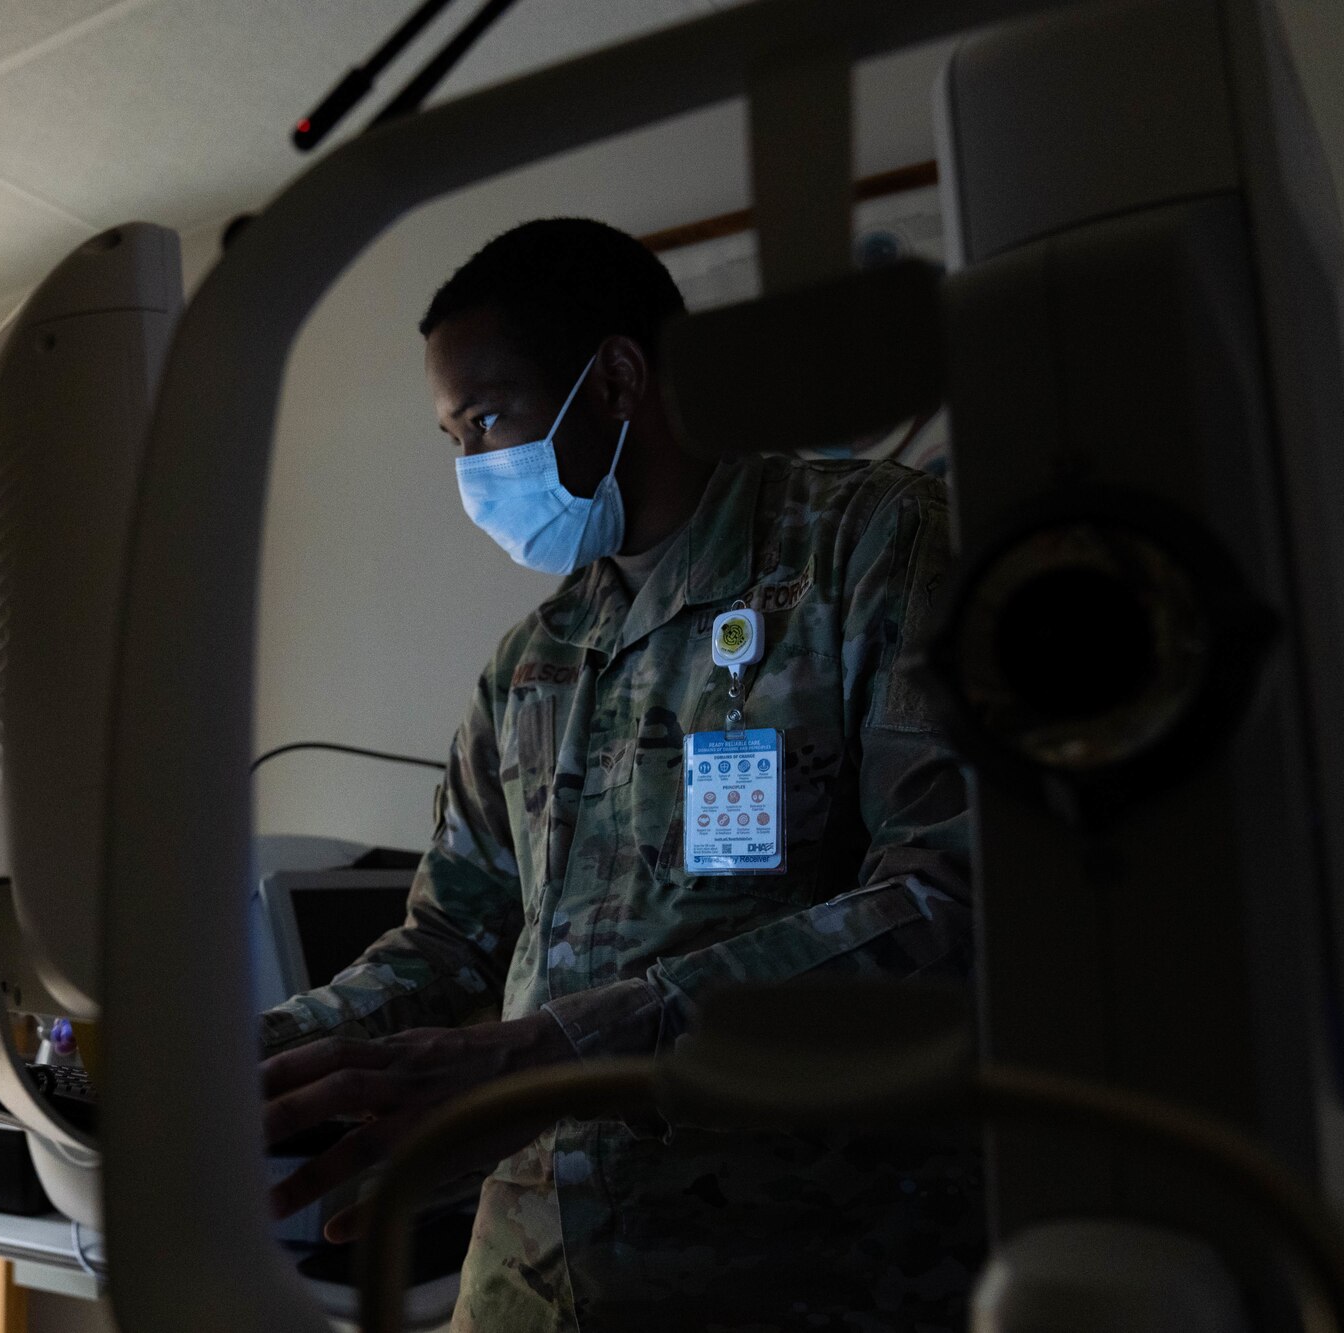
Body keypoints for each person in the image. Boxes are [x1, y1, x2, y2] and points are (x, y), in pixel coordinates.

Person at [260, 217, 983, 1332]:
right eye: (451, 436)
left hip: (804, 1268)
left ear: (614, 379)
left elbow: (946, 905)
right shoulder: (532, 663)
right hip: (532, 1278)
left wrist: (567, 1045)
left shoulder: (867, 548)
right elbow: (453, 940)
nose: (470, 469)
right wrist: (250, 1057)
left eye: (486, 420)